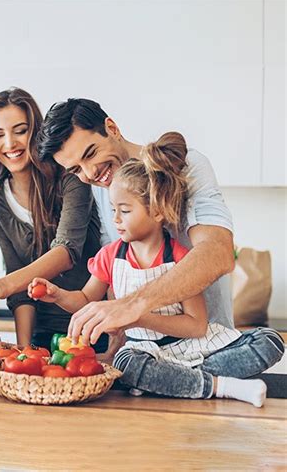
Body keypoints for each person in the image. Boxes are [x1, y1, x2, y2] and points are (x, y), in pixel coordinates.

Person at [30, 133, 282, 407]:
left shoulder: (183, 260)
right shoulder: (110, 257)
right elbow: (86, 300)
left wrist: (137, 316)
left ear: (158, 211)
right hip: (145, 353)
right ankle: (219, 386)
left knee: (269, 341)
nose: (115, 219)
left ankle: (169, 381)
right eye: (113, 209)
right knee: (128, 363)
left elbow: (197, 326)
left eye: (124, 211)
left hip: (192, 347)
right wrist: (57, 295)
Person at [0, 88, 106, 351]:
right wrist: (25, 350)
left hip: (92, 326)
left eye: (20, 130)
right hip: (42, 332)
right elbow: (18, 285)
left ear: (36, 132)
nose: (9, 143)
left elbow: (66, 251)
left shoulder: (71, 176)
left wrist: (3, 284)